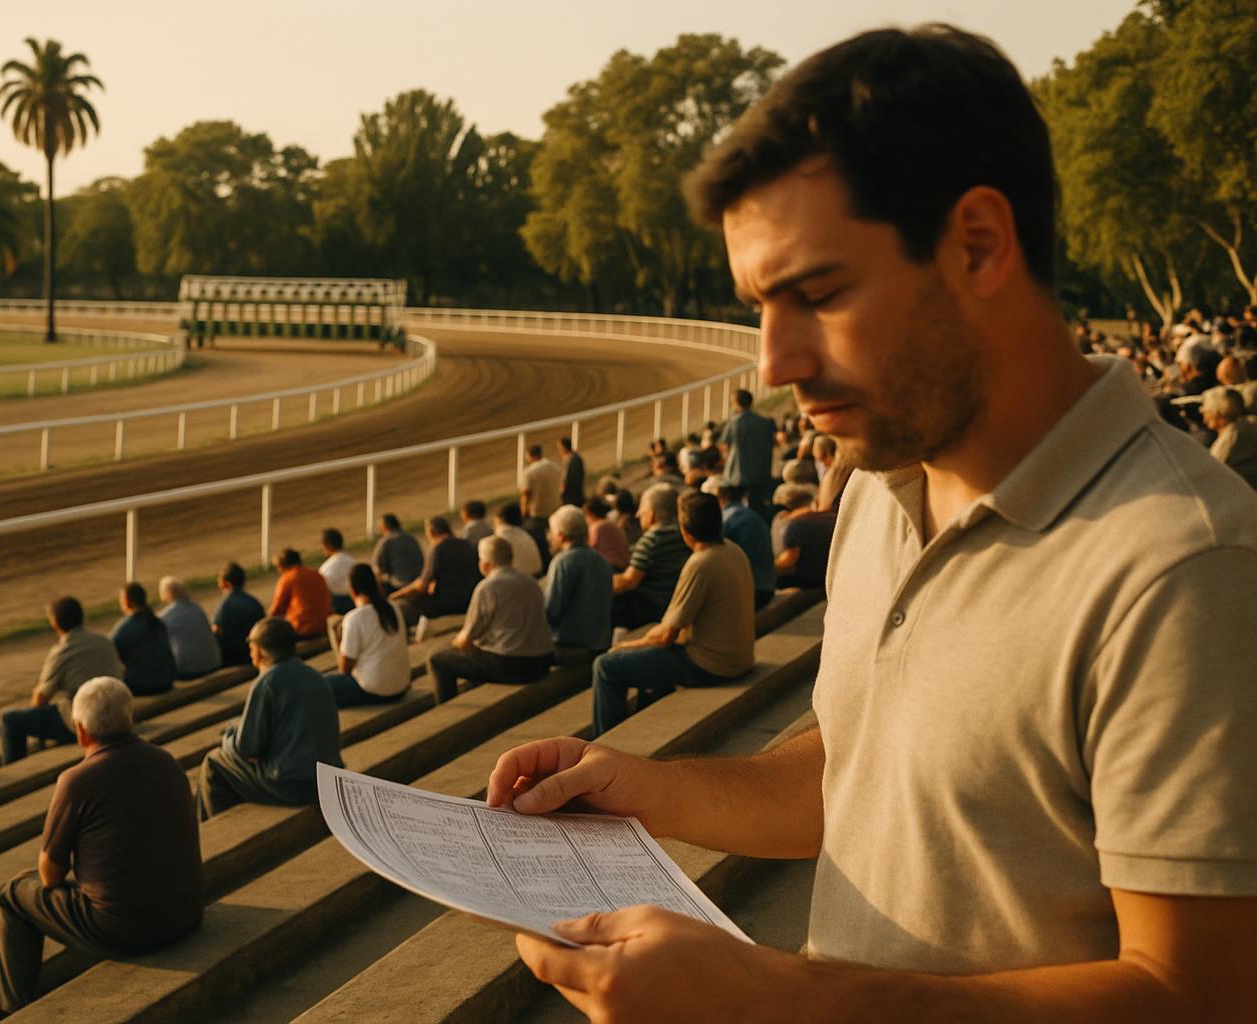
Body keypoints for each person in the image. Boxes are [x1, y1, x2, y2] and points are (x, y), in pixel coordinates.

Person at [498, 26, 1257, 1020]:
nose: (773, 363)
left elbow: (1197, 994)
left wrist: (771, 1000)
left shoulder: (1188, 565)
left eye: (817, 294)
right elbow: (859, 772)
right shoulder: (877, 485)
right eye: (759, 305)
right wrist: (644, 788)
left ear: (978, 244)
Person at [0, 677, 202, 1013]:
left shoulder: (77, 780)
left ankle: (7, 1006)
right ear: (129, 719)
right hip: (186, 914)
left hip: (125, 930)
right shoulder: (167, 761)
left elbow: (50, 876)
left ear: (81, 731)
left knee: (14, 894)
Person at [590, 490, 755, 735]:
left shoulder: (700, 563)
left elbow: (666, 636)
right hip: (738, 659)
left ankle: (605, 742)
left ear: (686, 532)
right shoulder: (733, 550)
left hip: (711, 666)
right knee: (648, 651)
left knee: (606, 666)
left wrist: (623, 647)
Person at [196, 618, 342, 814]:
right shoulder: (315, 676)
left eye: (251, 645)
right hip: (327, 780)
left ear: (258, 651)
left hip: (293, 787)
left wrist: (229, 737)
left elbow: (247, 749)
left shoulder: (267, 682)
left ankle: (215, 829)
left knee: (213, 761)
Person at [428, 536, 554, 704]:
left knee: (437, 658)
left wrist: (452, 644)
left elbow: (465, 639)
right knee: (476, 653)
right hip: (542, 662)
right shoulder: (529, 581)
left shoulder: (488, 587)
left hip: (512, 666)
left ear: (485, 564)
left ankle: (446, 709)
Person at [0, 597, 124, 765]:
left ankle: (13, 768)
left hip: (82, 724)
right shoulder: (104, 641)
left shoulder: (62, 651)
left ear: (55, 623)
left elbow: (41, 697)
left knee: (9, 720)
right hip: (116, 714)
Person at [324, 564, 412, 707]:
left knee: (321, 684)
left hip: (372, 692)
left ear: (352, 590)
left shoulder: (354, 618)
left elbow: (344, 670)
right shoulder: (393, 608)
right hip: (401, 688)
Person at [610, 484, 690, 629]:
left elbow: (628, 581)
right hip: (676, 601)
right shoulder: (684, 534)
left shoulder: (653, 539)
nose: (637, 514)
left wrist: (598, 584)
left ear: (652, 514)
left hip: (653, 609)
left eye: (642, 509)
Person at [542, 505, 613, 664]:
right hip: (601, 645)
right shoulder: (601, 560)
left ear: (560, 535)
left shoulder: (562, 562)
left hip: (571, 649)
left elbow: (551, 612)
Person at [390, 516, 481, 625]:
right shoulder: (467, 544)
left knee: (404, 605)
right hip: (470, 598)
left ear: (430, 532)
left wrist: (395, 596)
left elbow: (421, 586)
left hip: (447, 603)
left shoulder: (438, 549)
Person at [109, 582, 176, 697]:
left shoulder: (126, 627)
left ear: (127, 602)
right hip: (166, 683)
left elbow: (110, 652)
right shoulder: (158, 622)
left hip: (142, 687)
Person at [717, 485, 775, 610]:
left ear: (721, 500)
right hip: (767, 586)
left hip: (750, 589)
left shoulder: (727, 517)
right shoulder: (755, 516)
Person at [718, 388, 776, 511]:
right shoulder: (766, 422)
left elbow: (724, 446)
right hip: (761, 475)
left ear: (735, 402)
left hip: (737, 477)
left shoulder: (734, 423)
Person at [157, 577, 221, 680]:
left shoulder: (168, 615)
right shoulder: (197, 608)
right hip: (213, 664)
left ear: (166, 593)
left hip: (189, 671)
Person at [268, 548, 333, 639]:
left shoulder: (287, 578)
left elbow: (276, 610)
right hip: (324, 625)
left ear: (283, 566)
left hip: (301, 629)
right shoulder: (317, 574)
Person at [1202, 386, 1257, 489]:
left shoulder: (1232, 435)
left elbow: (1212, 471)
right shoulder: (1249, 422)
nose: (1204, 419)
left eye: (1206, 412)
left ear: (1217, 413)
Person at [211, 562, 264, 667]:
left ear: (224, 583)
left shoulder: (226, 605)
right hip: (255, 651)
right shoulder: (254, 602)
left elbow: (217, 630)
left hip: (236, 658)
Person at [518, 444, 563, 540]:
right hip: (555, 508)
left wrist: (523, 511)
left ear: (530, 456)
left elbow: (525, 494)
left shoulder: (529, 472)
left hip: (537, 513)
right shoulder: (554, 466)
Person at [372, 514, 424, 593]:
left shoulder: (386, 542)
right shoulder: (411, 539)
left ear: (384, 527)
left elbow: (377, 569)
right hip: (418, 583)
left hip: (398, 585)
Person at [493, 502, 543, 577]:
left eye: (495, 522)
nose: (494, 526)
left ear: (501, 520)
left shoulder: (502, 536)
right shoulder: (524, 533)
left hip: (520, 579)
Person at [317, 528, 357, 615]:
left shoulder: (325, 568)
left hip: (338, 609)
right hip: (355, 603)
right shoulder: (353, 562)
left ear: (328, 545)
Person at [584, 496, 629, 570]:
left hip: (610, 568)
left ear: (589, 514)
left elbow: (586, 549)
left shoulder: (596, 527)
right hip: (623, 566)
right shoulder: (615, 526)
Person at [812, 433, 853, 512]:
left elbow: (826, 506)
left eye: (822, 459)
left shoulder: (841, 469)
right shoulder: (826, 469)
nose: (823, 464)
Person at [557, 437, 585, 507]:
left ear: (564, 448)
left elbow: (564, 478)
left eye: (559, 448)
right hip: (578, 494)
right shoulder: (577, 457)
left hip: (569, 497)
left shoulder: (568, 459)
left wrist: (561, 492)